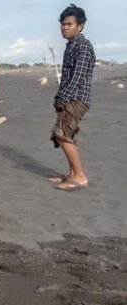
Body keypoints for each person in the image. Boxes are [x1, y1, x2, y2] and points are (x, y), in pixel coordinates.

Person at [48, 4, 95, 191]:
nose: (64, 28)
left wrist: (63, 98)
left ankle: (80, 176)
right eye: (62, 24)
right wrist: (58, 97)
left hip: (76, 98)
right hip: (68, 97)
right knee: (67, 134)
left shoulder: (82, 45)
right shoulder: (72, 46)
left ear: (80, 26)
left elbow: (78, 76)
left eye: (69, 24)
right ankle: (72, 174)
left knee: (63, 135)